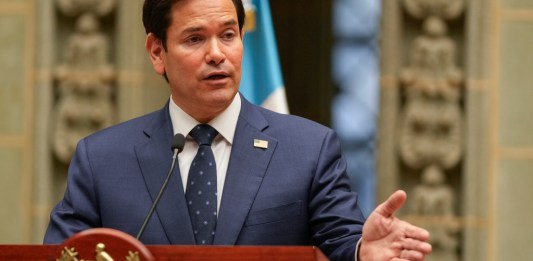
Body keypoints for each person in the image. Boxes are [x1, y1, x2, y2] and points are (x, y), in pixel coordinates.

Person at [44, 0, 432, 260]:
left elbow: (341, 243)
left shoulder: (309, 149)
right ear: (157, 52)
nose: (217, 53)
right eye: (195, 39)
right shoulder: (102, 159)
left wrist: (365, 251)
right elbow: (64, 254)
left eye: (228, 35)